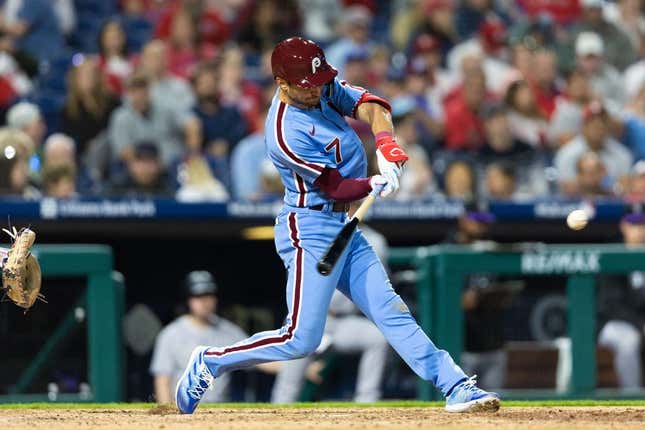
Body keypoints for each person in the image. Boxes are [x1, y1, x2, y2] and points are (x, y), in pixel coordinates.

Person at [174, 36, 500, 415]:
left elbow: (372, 105)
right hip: (308, 227)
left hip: (343, 227)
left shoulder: (319, 83)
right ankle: (210, 361)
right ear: (283, 84)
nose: (318, 91)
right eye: (307, 86)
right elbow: (334, 187)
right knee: (301, 339)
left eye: (319, 82)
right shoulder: (283, 131)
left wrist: (385, 145)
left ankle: (455, 385)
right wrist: (371, 184)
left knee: (390, 310)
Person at [271, 225, 390, 403]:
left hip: (344, 321)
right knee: (289, 384)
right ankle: (275, 416)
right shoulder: (313, 232)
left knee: (378, 338)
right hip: (309, 318)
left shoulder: (374, 240)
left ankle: (367, 401)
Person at [150, 271, 248, 404]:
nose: (204, 302)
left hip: (220, 409)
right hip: (184, 409)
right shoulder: (171, 334)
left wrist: (285, 357)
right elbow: (162, 380)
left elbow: (259, 354)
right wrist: (168, 417)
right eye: (198, 296)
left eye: (208, 295)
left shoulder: (229, 331)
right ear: (188, 300)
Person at [596, 213, 645, 390]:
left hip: (639, 323)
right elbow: (611, 305)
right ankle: (632, 397)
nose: (639, 231)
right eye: (634, 226)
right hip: (615, 323)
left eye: (643, 226)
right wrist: (640, 324)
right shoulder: (613, 255)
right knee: (628, 341)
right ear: (624, 227)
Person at [554, 101, 632, 196]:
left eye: (602, 121)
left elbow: (625, 188)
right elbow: (568, 189)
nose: (599, 125)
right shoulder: (567, 153)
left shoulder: (621, 154)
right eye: (593, 121)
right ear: (584, 126)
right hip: (576, 206)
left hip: (613, 206)